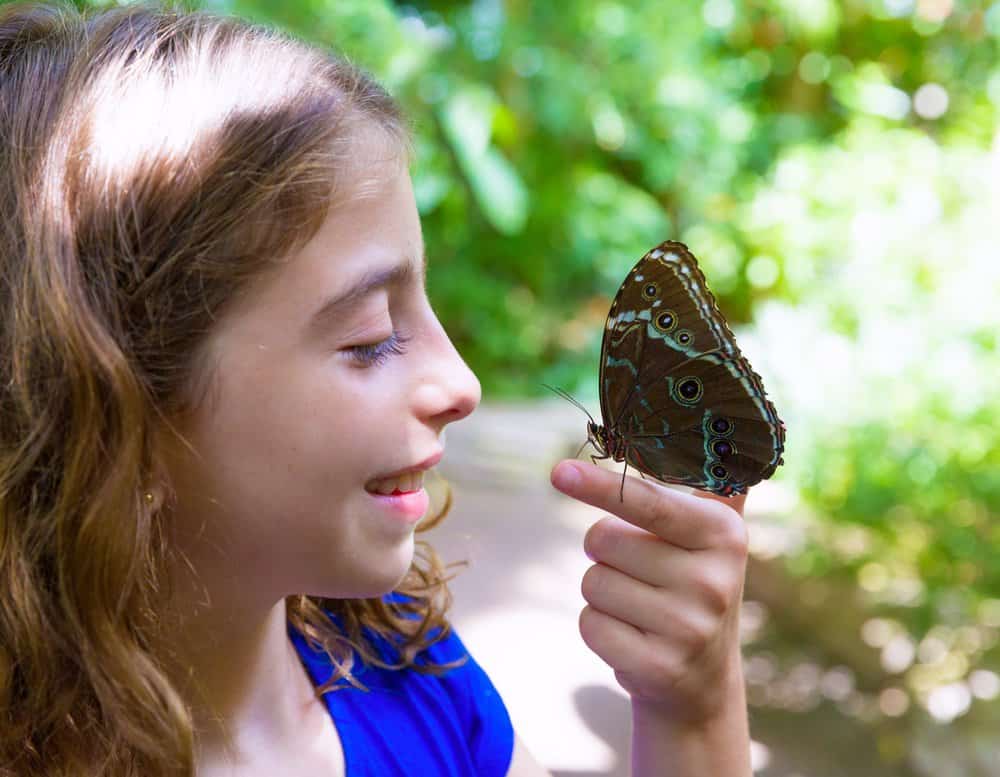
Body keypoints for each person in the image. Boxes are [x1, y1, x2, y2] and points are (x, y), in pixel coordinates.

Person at [0, 2, 752, 775]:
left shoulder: (410, 672)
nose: (461, 383)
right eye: (369, 338)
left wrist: (692, 706)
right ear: (118, 412)